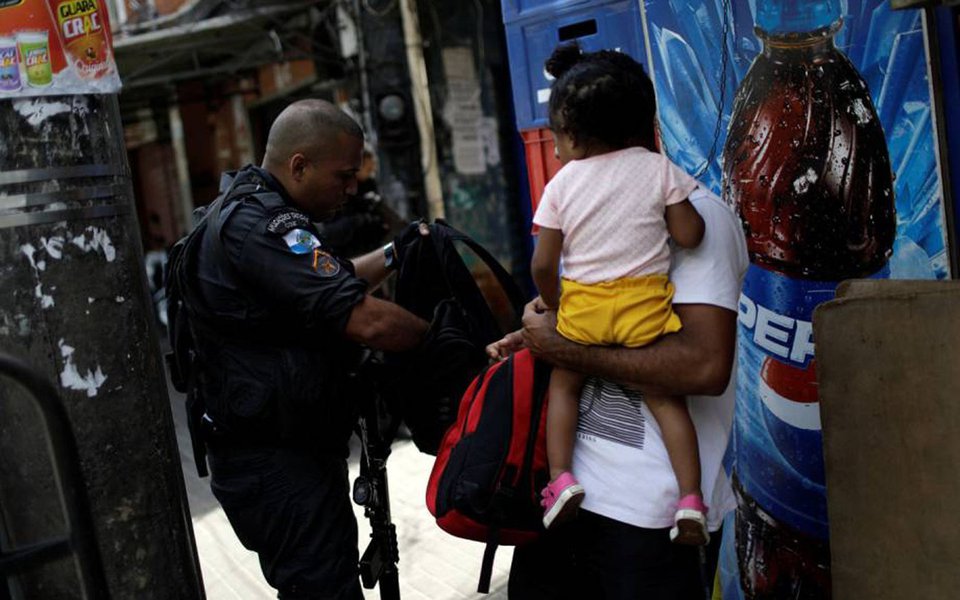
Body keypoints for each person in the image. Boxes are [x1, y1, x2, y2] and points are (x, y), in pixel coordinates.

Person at [491, 85, 749, 600]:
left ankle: (691, 498)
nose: (557, 149)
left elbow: (704, 366)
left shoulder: (703, 213)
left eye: (559, 136)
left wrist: (561, 346)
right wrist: (536, 333)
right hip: (570, 501)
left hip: (646, 513)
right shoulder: (594, 194)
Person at [183, 99, 430, 599]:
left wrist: (397, 252)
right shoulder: (261, 226)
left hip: (283, 448)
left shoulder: (255, 209)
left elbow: (329, 280)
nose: (352, 188)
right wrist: (445, 337)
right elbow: (366, 321)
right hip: (274, 460)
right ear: (299, 165)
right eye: (343, 176)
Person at [491, 45, 708, 543]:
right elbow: (690, 234)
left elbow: (543, 263)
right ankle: (691, 499)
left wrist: (556, 302)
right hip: (645, 310)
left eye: (557, 137)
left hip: (584, 309)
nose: (555, 148)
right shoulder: (655, 169)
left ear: (572, 136)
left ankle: (561, 480)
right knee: (664, 399)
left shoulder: (562, 185)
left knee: (565, 383)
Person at [318, 145, 404, 259]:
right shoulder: (338, 190)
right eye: (368, 169)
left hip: (370, 246)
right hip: (347, 252)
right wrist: (359, 221)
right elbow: (330, 232)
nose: (371, 172)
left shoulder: (369, 184)